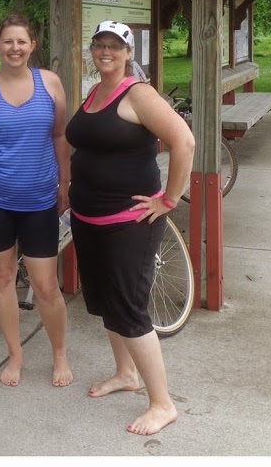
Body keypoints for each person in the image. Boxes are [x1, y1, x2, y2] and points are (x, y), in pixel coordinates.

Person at [67, 21, 193, 436]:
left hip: (128, 223)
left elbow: (184, 142)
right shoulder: (95, 91)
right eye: (99, 45)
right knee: (105, 302)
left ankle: (163, 404)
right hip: (88, 217)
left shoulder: (138, 93)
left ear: (128, 52)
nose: (106, 52)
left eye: (114, 46)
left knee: (129, 308)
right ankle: (125, 374)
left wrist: (169, 199)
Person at [0, 13, 72, 388]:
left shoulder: (51, 84)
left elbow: (60, 136)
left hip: (40, 199)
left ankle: (59, 354)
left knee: (45, 286)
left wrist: (64, 182)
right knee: (4, 278)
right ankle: (15, 354)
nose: (14, 48)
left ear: (33, 46)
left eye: (21, 41)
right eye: (7, 41)